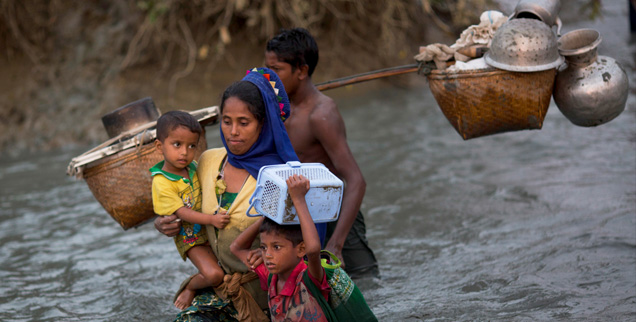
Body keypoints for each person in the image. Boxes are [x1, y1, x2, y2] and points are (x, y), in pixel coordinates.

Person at [154, 67, 301, 321]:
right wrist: (163, 223)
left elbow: (298, 244)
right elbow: (181, 201)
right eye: (226, 121)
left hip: (266, 298)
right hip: (219, 289)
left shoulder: (279, 177)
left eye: (244, 123)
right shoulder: (208, 161)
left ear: (262, 124)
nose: (233, 132)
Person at [265, 28, 379, 278]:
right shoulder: (275, 106)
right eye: (267, 70)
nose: (269, 78)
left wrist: (336, 244)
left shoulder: (321, 114)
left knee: (365, 280)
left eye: (277, 70)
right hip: (295, 210)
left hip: (334, 211)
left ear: (302, 71)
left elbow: (356, 180)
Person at [149, 110, 227, 310]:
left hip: (207, 230)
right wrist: (211, 219)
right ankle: (190, 287)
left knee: (226, 270)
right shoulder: (162, 181)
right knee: (215, 275)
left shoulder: (192, 167)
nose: (185, 152)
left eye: (191, 145)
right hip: (190, 237)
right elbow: (181, 212)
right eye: (177, 145)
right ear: (160, 146)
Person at [230, 174, 330, 322]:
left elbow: (314, 250)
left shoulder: (309, 277)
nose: (267, 255)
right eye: (263, 248)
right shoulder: (271, 276)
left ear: (301, 250)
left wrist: (299, 200)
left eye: (276, 247)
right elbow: (236, 248)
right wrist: (269, 214)